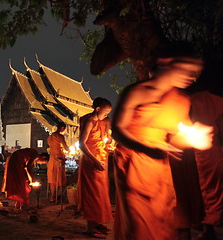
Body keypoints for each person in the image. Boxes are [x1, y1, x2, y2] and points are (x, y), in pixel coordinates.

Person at [111, 50, 213, 239]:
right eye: (186, 69)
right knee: (139, 223)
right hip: (132, 162)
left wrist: (195, 137)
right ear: (167, 63)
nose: (191, 77)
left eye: (195, 72)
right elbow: (117, 129)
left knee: (161, 220)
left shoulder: (181, 100)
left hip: (159, 167)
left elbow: (177, 135)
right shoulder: (137, 92)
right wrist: (147, 148)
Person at [77, 97, 113, 238]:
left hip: (101, 159)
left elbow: (99, 141)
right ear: (97, 109)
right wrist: (95, 160)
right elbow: (82, 144)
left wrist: (107, 146)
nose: (106, 115)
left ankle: (96, 223)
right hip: (92, 162)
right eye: (105, 112)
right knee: (93, 194)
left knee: (101, 193)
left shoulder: (100, 122)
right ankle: (90, 227)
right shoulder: (90, 121)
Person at [190, 90, 223, 240]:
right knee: (207, 191)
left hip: (211, 152)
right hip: (202, 152)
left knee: (211, 191)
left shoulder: (200, 100)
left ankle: (211, 226)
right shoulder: (197, 99)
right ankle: (208, 227)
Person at [47, 122, 69, 203]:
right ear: (62, 128)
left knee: (53, 178)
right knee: (58, 178)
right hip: (59, 158)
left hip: (52, 158)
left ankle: (53, 197)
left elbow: (51, 146)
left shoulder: (50, 137)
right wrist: (69, 150)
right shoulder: (60, 136)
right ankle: (57, 196)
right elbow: (66, 147)